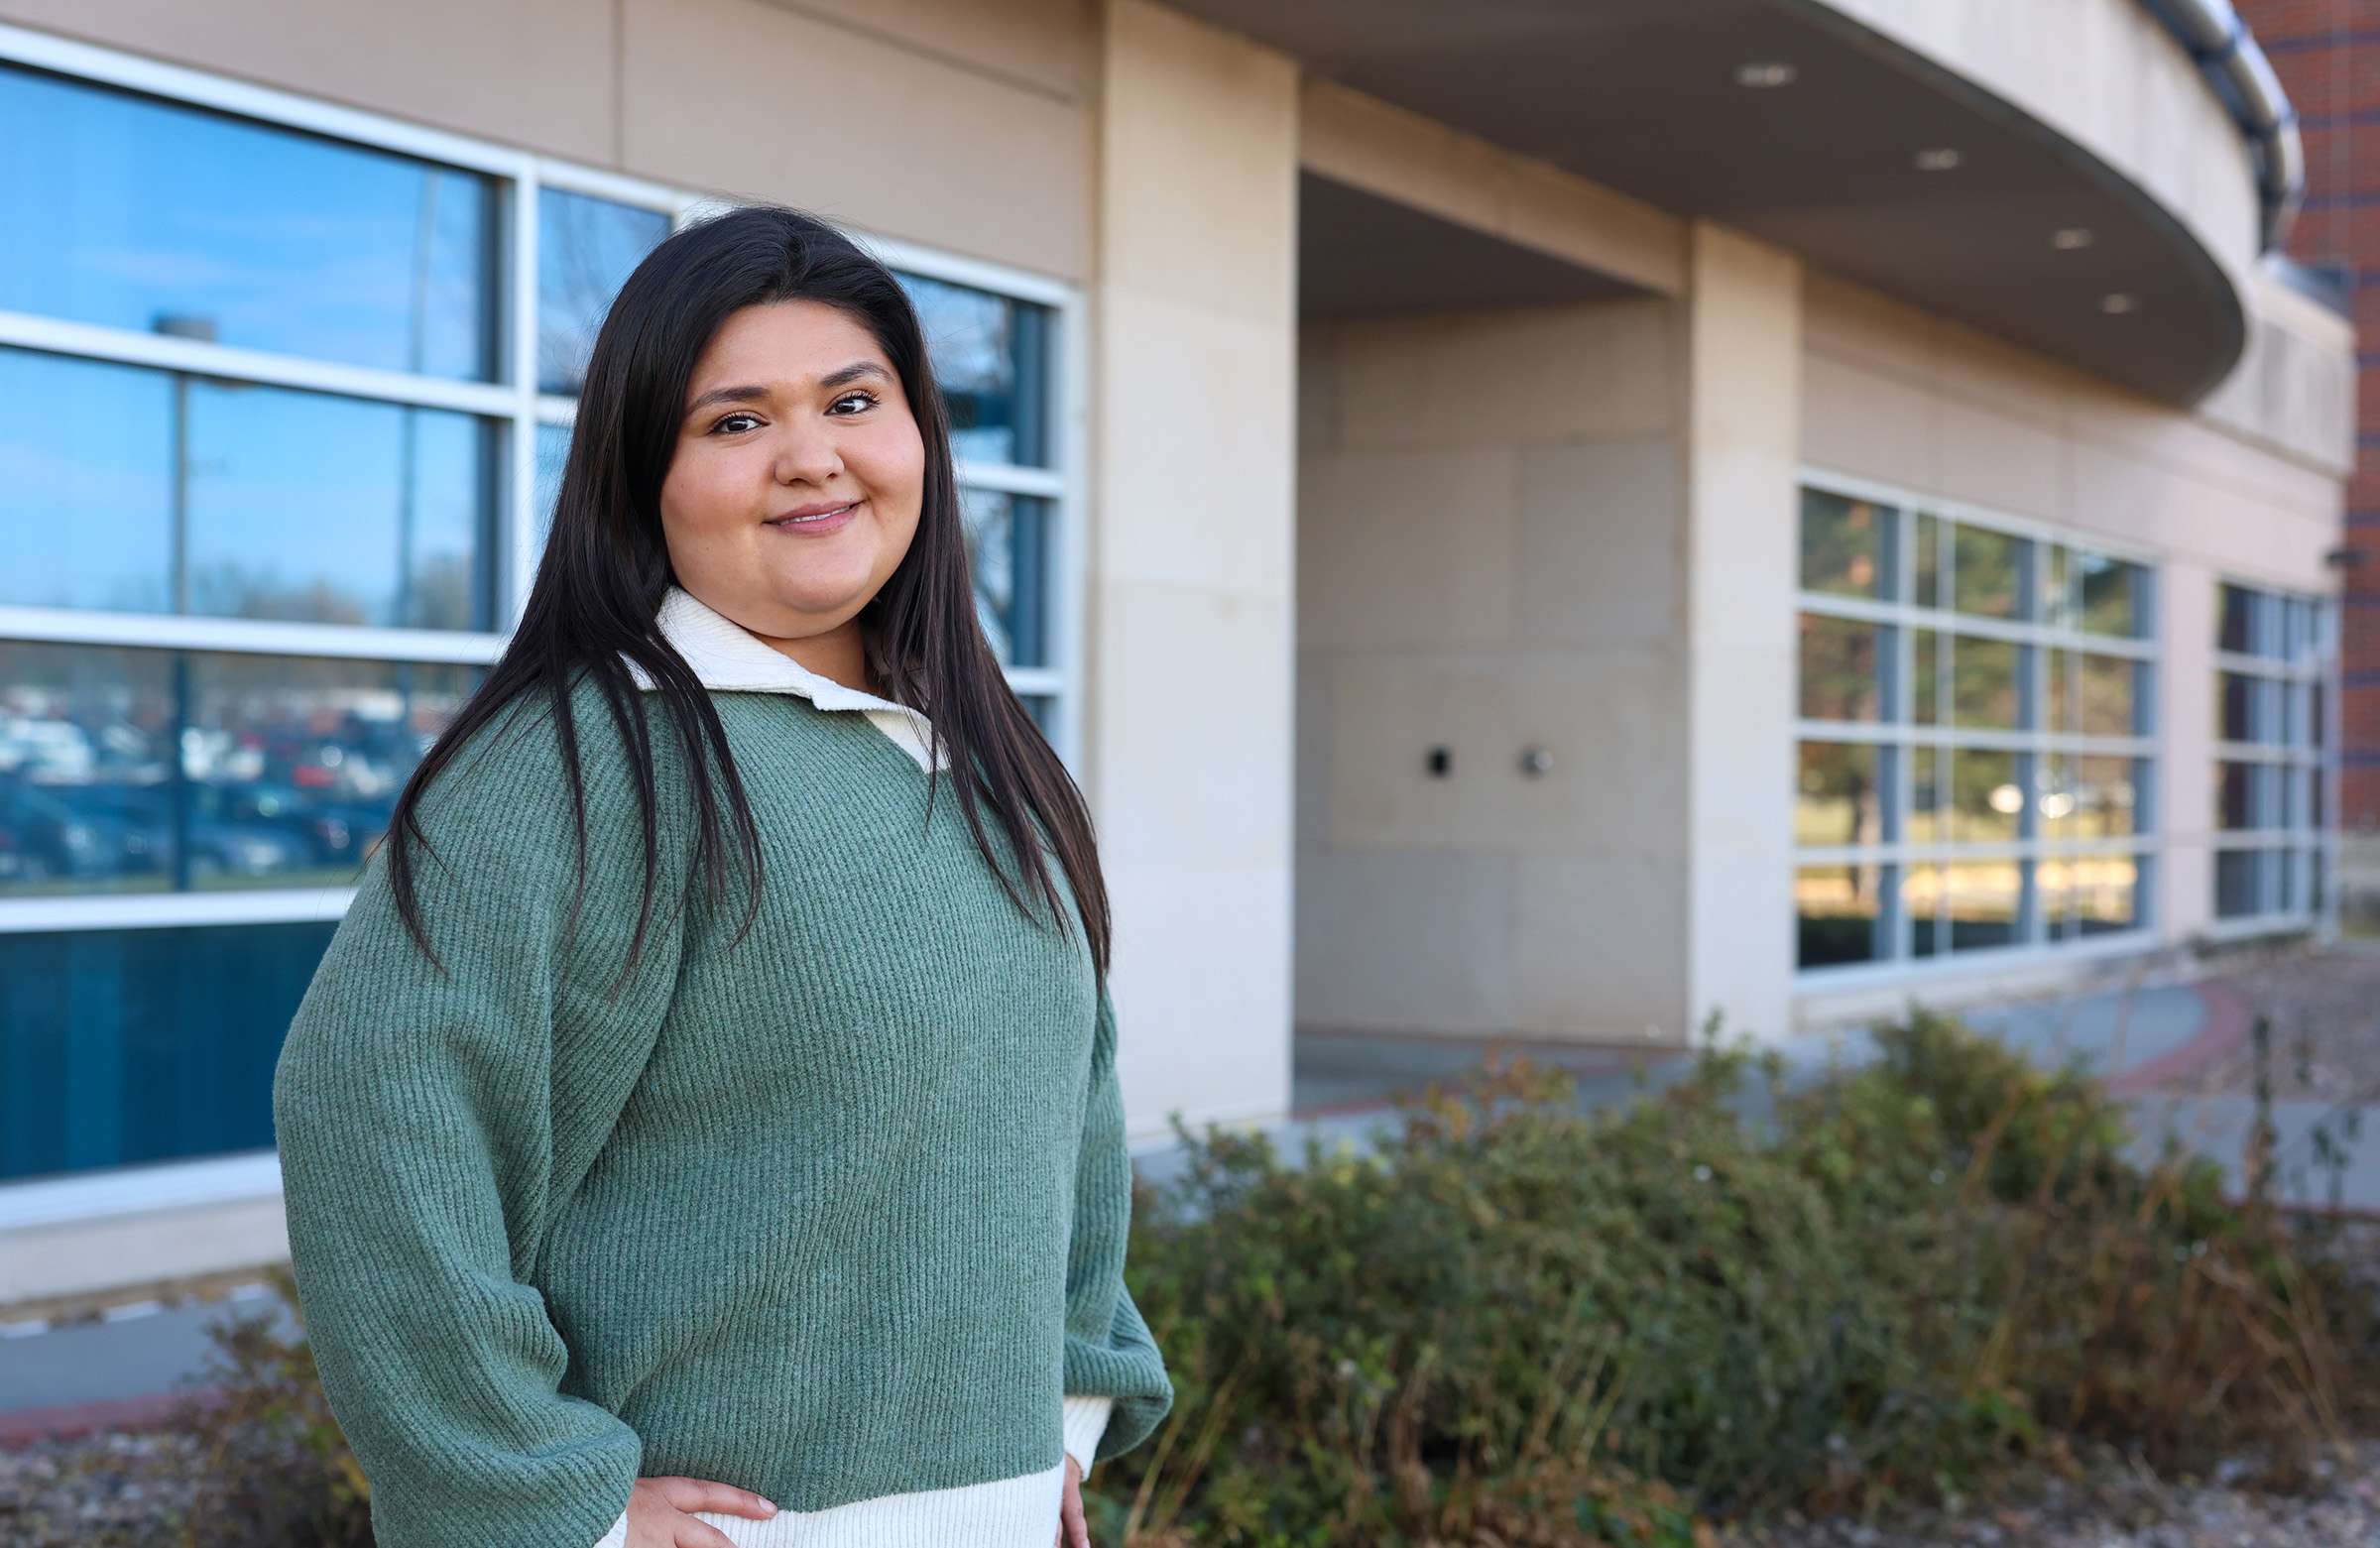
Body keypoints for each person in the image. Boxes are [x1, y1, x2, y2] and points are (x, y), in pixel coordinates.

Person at [270, 203, 1174, 1548]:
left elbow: (1068, 1124)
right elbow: (376, 1123)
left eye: (852, 400)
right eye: (736, 421)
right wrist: (549, 1496)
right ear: (648, 476)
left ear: (917, 432)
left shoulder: (986, 767)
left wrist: (1063, 1410)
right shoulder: (584, 757)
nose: (811, 458)